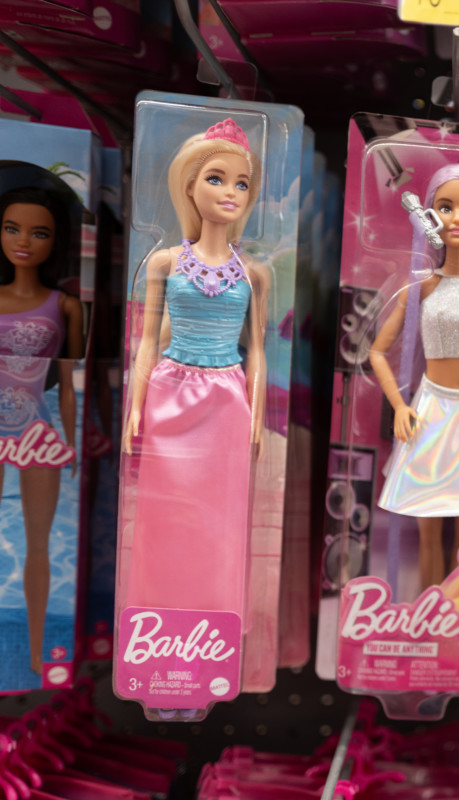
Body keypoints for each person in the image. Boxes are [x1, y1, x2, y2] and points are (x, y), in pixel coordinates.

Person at [121, 118, 269, 630]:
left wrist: (256, 414)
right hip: (168, 392)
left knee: (221, 519)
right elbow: (146, 340)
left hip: (227, 399)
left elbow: (258, 350)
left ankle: (215, 623)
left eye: (241, 184)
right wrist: (135, 406)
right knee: (163, 515)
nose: (230, 192)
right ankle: (158, 618)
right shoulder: (164, 263)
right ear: (189, 185)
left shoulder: (253, 273)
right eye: (216, 178)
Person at [371, 164, 459, 589]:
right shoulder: (422, 286)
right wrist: (399, 406)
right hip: (430, 414)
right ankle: (427, 612)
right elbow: (376, 351)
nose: (457, 218)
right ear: (429, 215)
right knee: (428, 535)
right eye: (445, 207)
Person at [0, 187, 84, 673]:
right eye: (12, 229)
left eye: (39, 232)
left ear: (55, 241)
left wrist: (71, 444)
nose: (23, 241)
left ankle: (36, 654)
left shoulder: (66, 305)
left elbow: (68, 386)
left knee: (38, 544)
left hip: (37, 429)